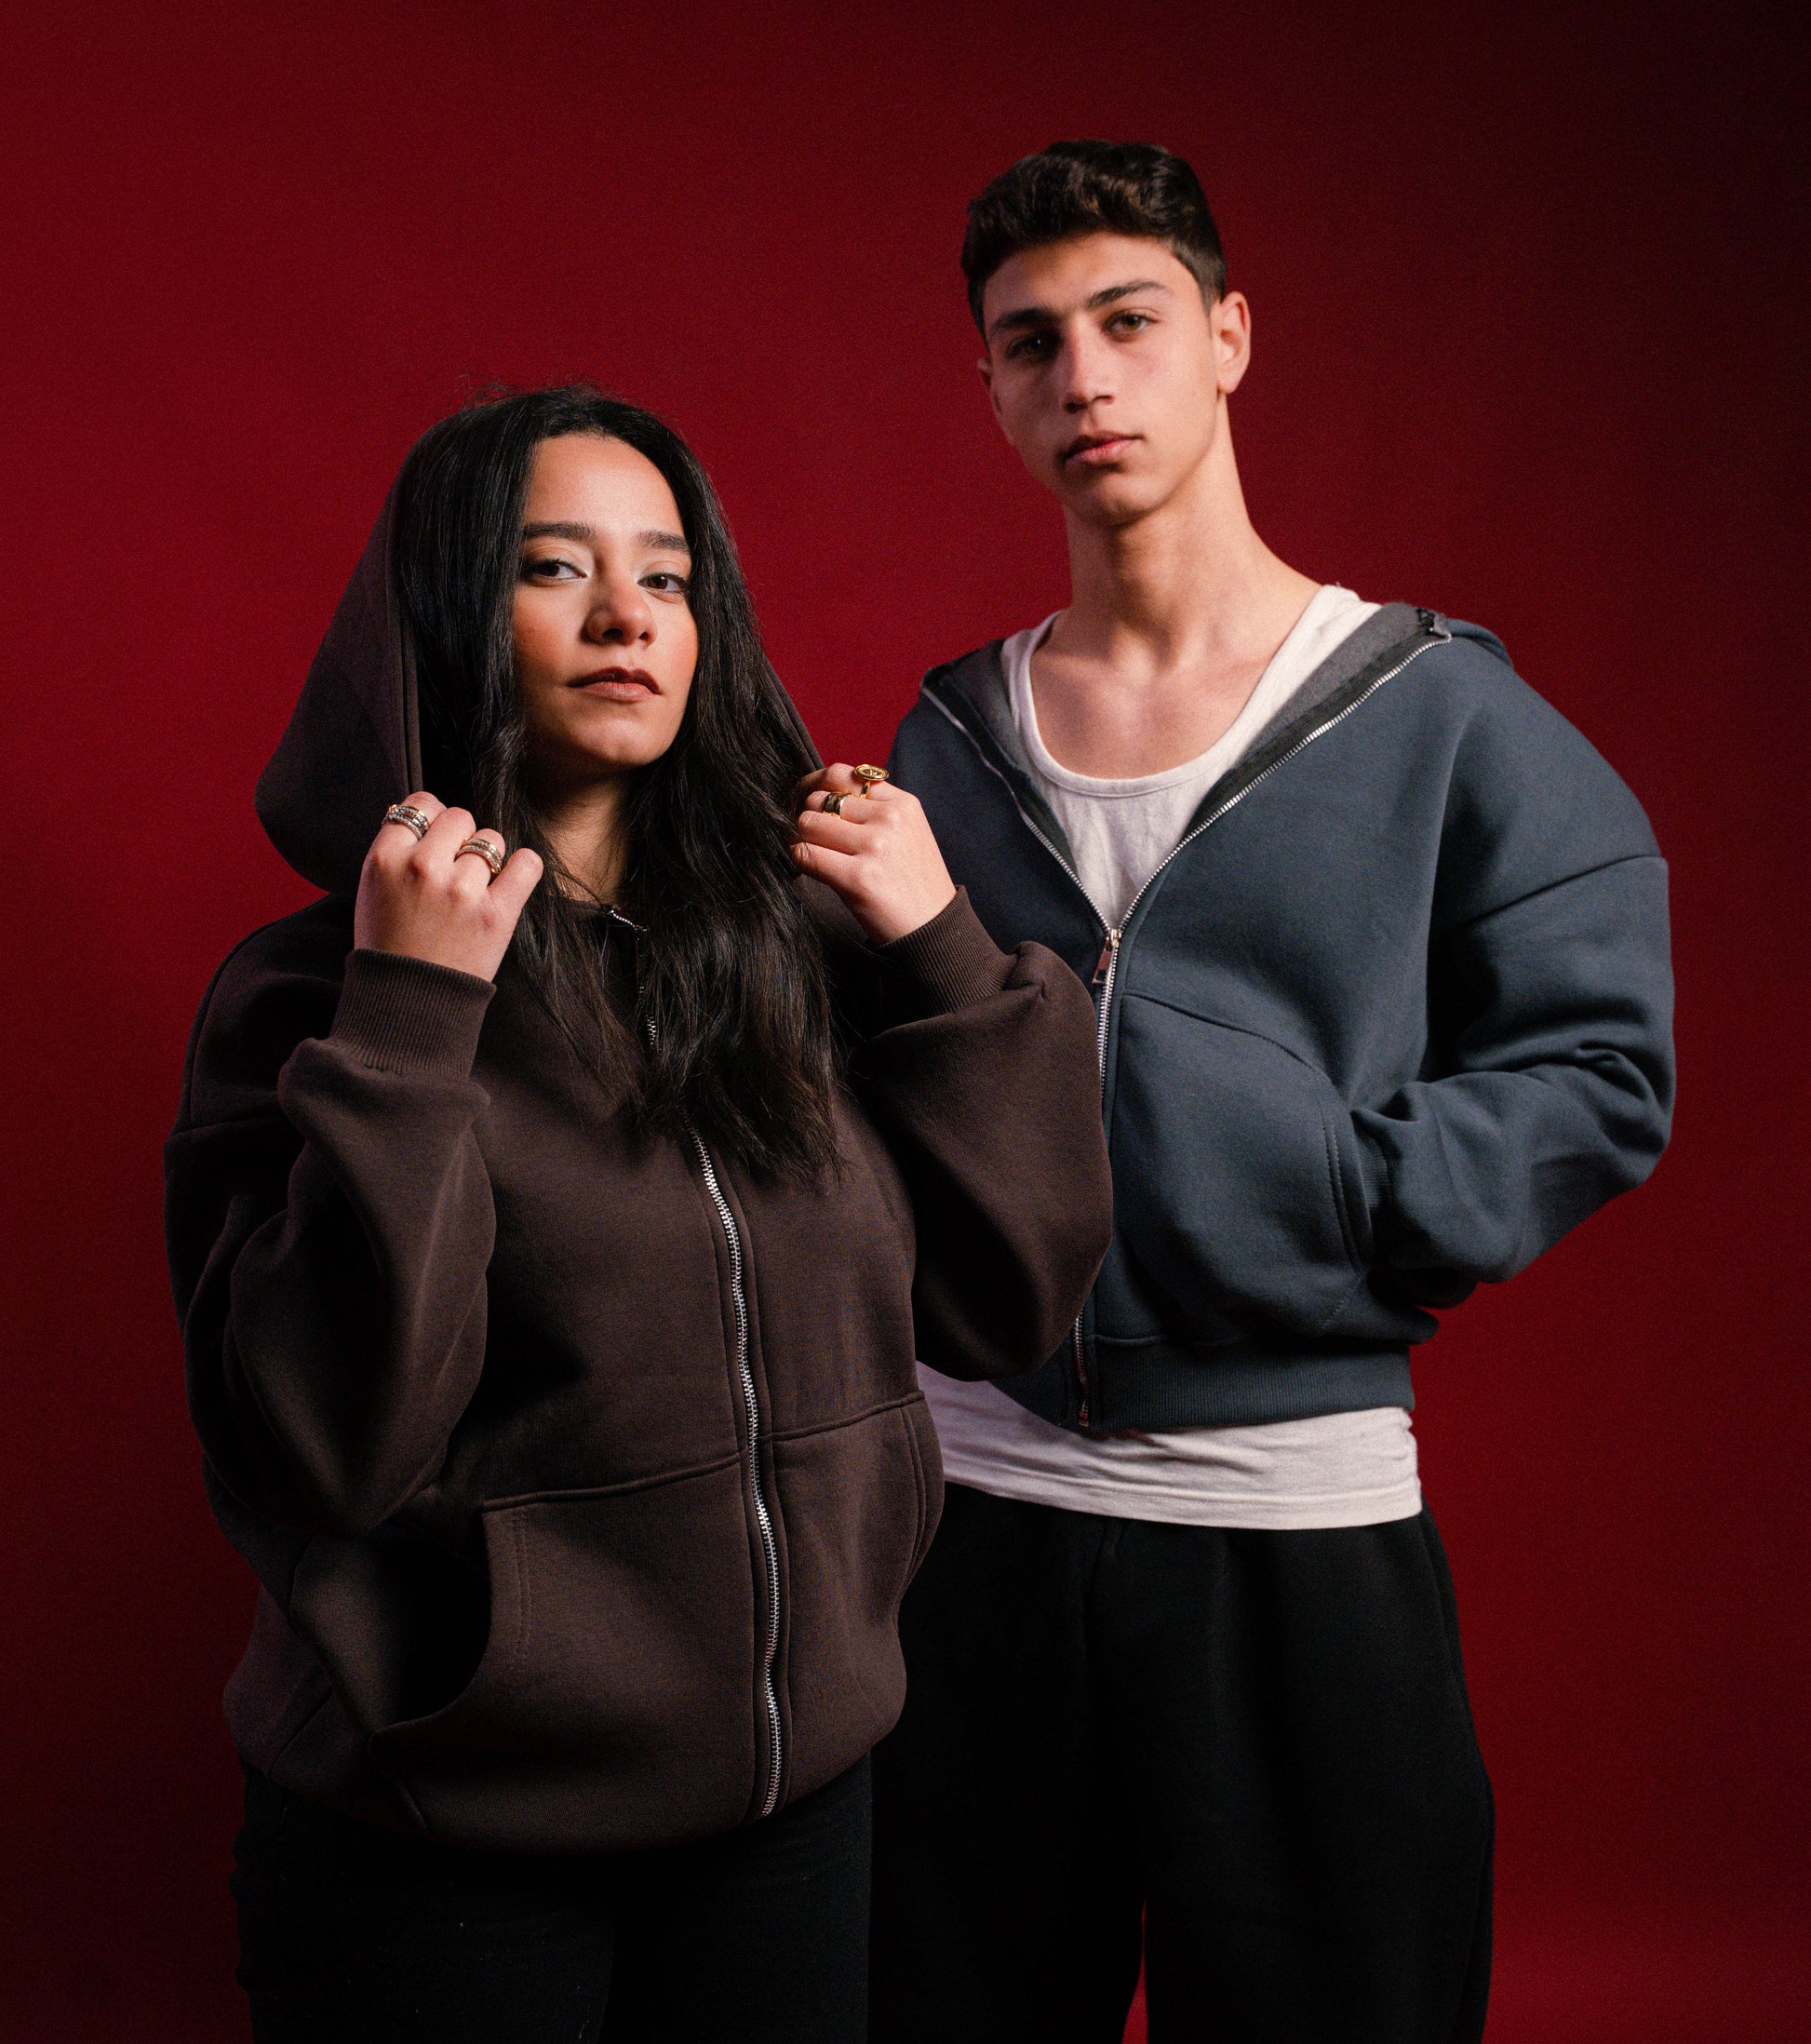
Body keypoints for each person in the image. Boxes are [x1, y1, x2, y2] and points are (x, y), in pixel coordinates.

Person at [165, 383, 1113, 2043]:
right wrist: (410, 1019)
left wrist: (943, 954)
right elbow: (321, 1448)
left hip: (795, 1809)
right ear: (452, 614)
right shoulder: (318, 992)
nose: (628, 618)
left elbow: (1011, 1294)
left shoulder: (801, 951)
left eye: (666, 576)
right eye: (555, 568)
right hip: (448, 1841)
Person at [870, 142, 1675, 2044]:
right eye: (1031, 342)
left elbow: (1600, 1069)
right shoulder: (947, 736)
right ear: (988, 388)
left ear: (1228, 336)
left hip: (1290, 1528)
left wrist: (1323, 1196)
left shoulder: (1431, 707)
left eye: (1129, 320)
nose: (1084, 377)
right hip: (969, 1527)